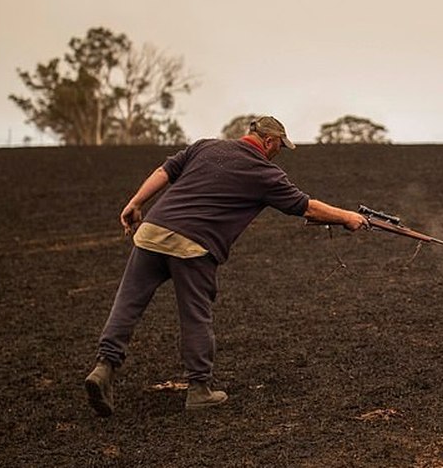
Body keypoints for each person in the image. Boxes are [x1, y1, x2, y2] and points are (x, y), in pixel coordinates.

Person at [84, 116, 366, 415]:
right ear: (269, 142)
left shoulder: (205, 146)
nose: (278, 153)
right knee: (195, 315)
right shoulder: (264, 172)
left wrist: (136, 202)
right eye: (279, 147)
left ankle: (103, 368)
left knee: (128, 303)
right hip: (193, 245)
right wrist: (347, 217)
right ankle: (199, 389)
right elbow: (305, 206)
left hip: (152, 231)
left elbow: (164, 171)